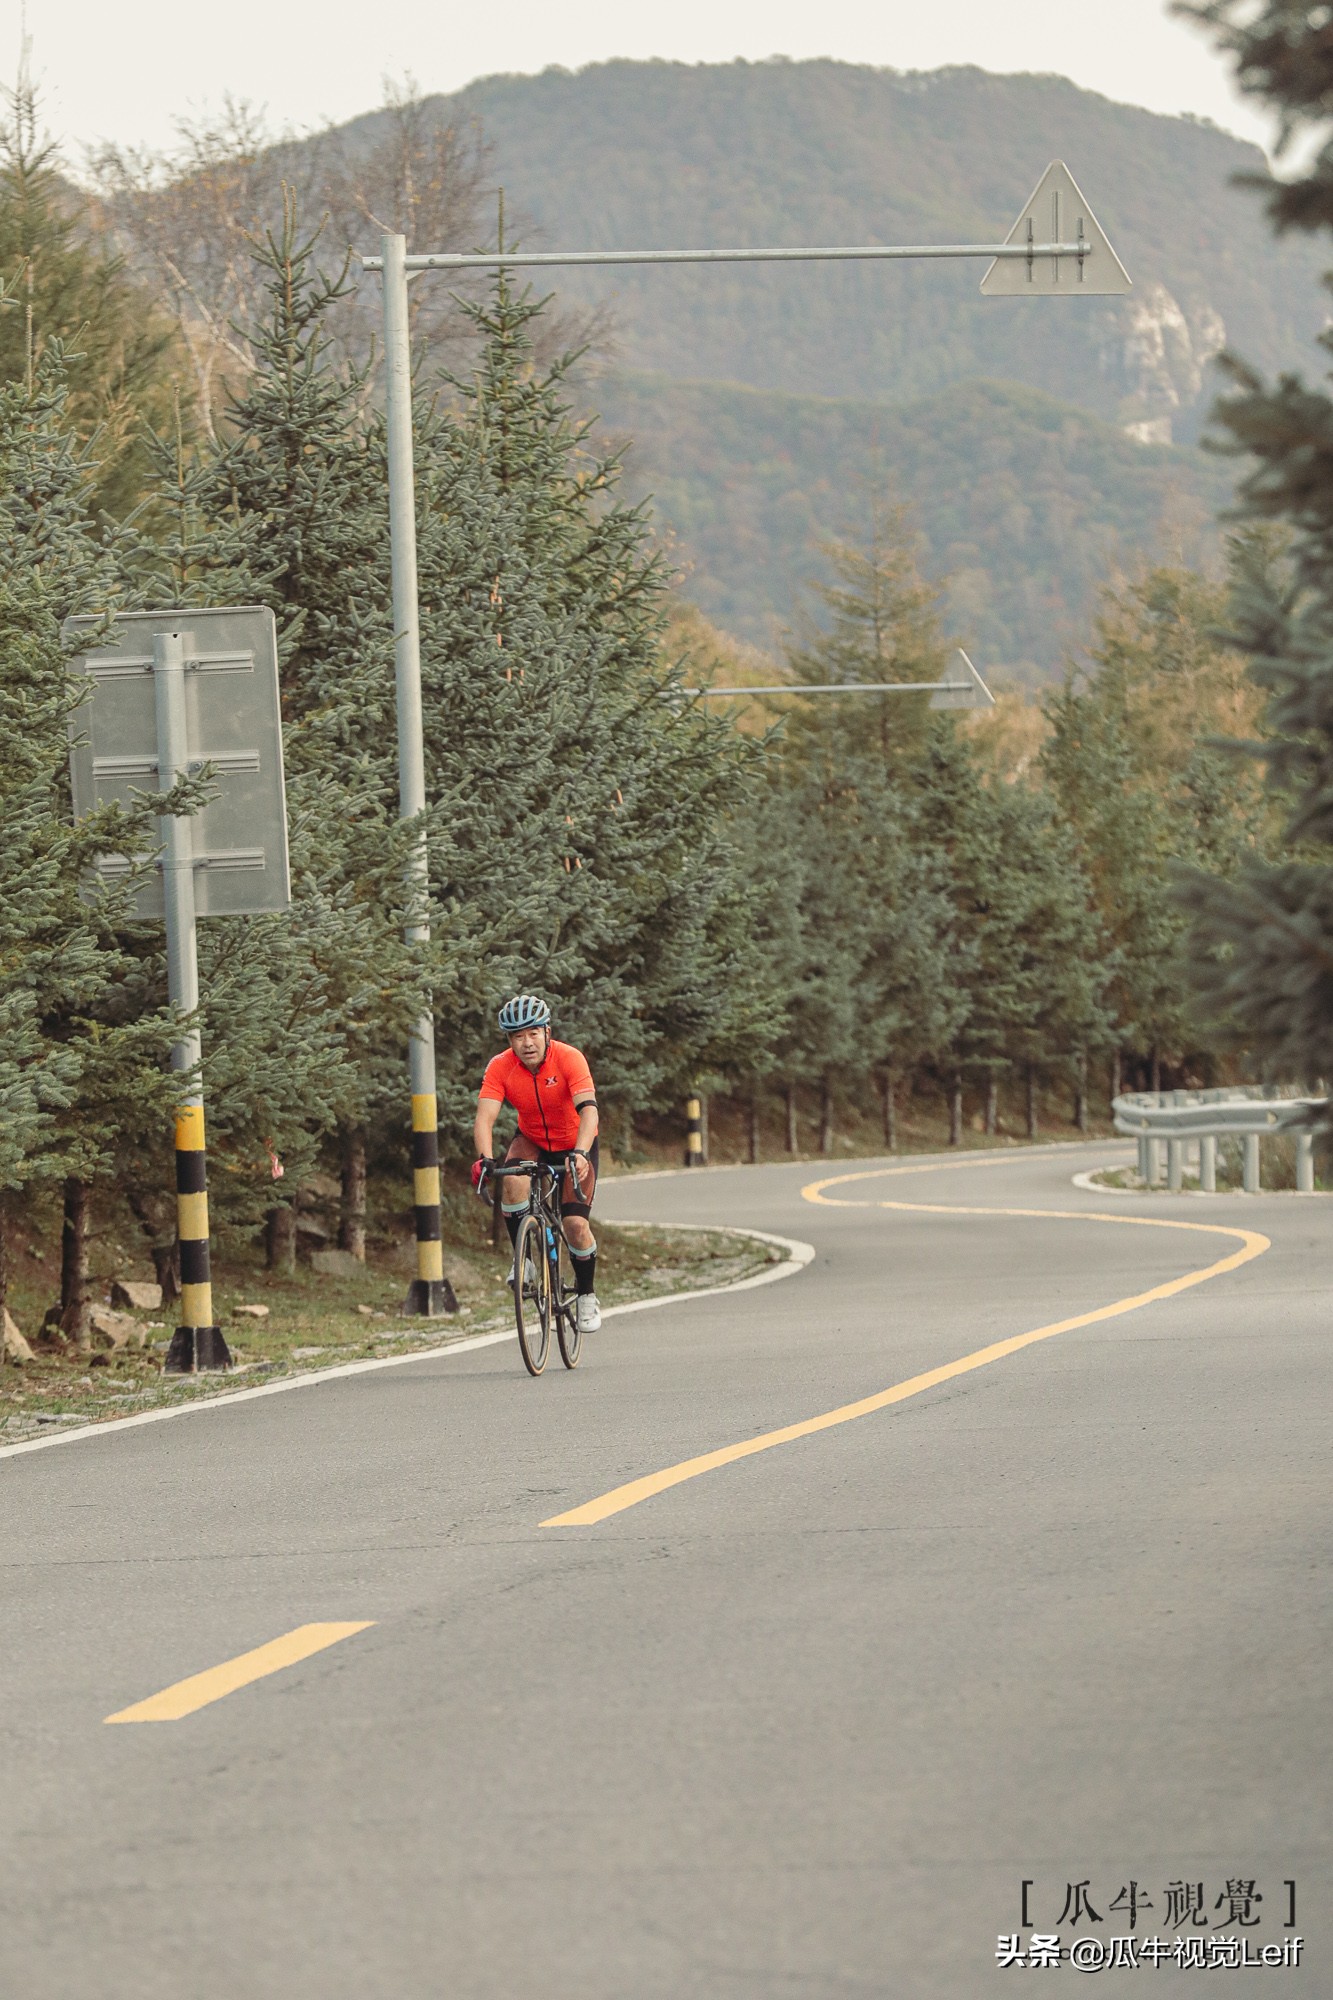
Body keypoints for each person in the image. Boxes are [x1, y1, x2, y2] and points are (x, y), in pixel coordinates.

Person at [473, 994, 602, 1334]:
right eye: (517, 1036)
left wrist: (582, 1152)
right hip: (532, 1139)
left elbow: (589, 1110)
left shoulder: (569, 1058)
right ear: (509, 1040)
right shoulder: (501, 1066)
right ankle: (526, 1261)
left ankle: (587, 1293)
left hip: (575, 1143)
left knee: (575, 1224)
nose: (526, 1043)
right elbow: (485, 1117)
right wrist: (485, 1159)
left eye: (532, 1033)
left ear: (547, 1032)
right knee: (512, 1181)